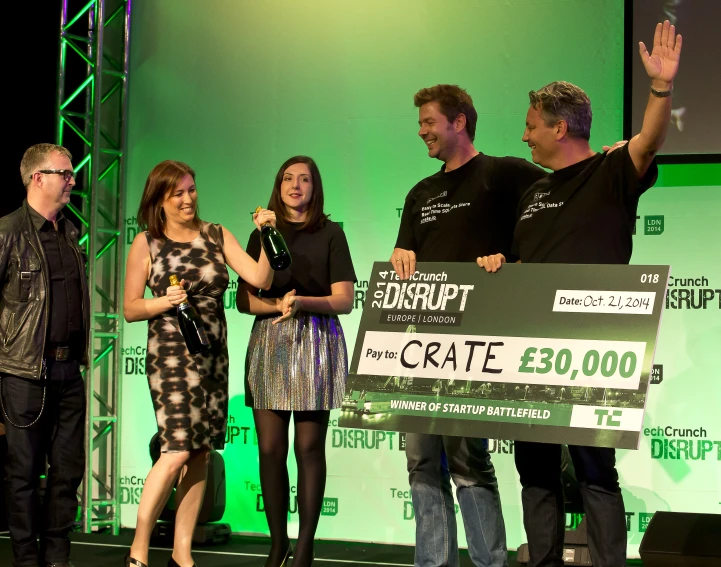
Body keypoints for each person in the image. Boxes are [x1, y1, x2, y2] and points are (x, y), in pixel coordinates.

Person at [477, 20, 682, 567]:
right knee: (535, 470)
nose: (523, 137)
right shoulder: (533, 192)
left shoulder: (613, 171)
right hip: (530, 352)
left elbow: (651, 138)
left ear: (560, 127)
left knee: (595, 471)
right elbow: (528, 264)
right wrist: (503, 263)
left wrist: (660, 89)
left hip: (593, 345)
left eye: (530, 127)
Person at [391, 85, 547, 567]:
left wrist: (514, 258)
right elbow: (407, 254)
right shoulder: (421, 192)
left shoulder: (503, 173)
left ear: (459, 122)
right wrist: (401, 255)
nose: (421, 132)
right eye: (420, 123)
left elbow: (556, 211)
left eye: (429, 122)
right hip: (423, 345)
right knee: (420, 461)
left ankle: (489, 563)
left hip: (478, 345)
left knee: (468, 462)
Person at [123, 160, 275, 567]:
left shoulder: (215, 233)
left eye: (191, 189)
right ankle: (138, 548)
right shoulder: (146, 243)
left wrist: (266, 233)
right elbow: (131, 308)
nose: (189, 198)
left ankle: (182, 553)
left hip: (212, 353)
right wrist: (165, 302)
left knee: (201, 452)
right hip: (170, 354)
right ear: (159, 200)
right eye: (179, 193)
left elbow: (261, 279)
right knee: (174, 449)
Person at [236, 156, 356, 567]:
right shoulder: (263, 235)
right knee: (270, 449)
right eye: (288, 178)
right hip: (272, 341)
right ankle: (277, 542)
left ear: (315, 187)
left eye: (305, 179)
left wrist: (302, 302)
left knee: (308, 447)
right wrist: (277, 305)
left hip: (316, 341)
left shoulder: (331, 233)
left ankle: (305, 545)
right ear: (278, 185)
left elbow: (345, 299)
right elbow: (245, 299)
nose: (295, 185)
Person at [0, 143, 88, 567]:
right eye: (65, 173)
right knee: (23, 474)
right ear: (38, 177)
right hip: (24, 374)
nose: (73, 180)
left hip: (69, 371)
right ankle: (25, 560)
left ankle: (57, 558)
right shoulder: (8, 231)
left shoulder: (70, 233)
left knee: (67, 472)